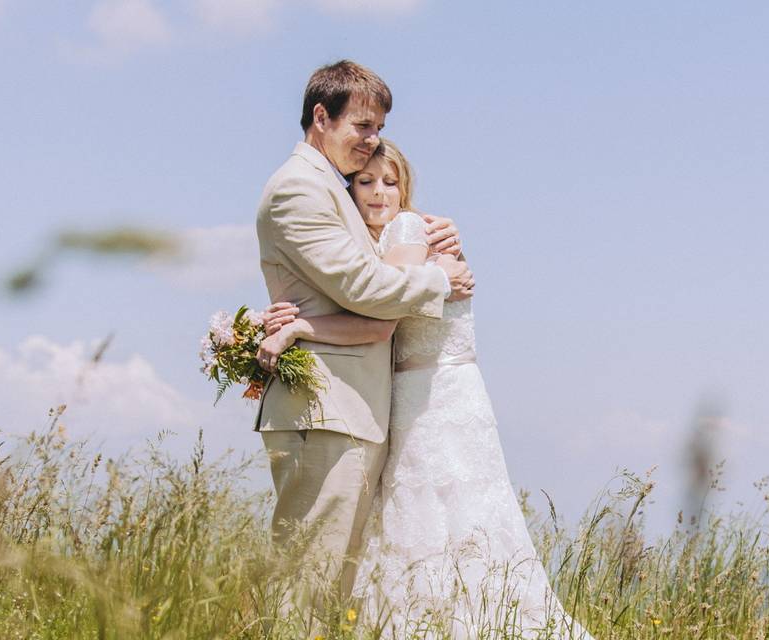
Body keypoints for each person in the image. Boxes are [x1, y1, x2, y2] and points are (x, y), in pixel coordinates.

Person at [260, 141, 592, 638]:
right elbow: (361, 295)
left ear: (405, 187)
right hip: (415, 397)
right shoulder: (381, 244)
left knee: (440, 521)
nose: (377, 193)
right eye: (365, 182)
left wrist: (300, 326)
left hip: (431, 398)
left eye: (389, 182)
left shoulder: (408, 231)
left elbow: (376, 326)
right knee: (428, 527)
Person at [253, 60, 474, 607]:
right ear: (321, 117)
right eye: (363, 126)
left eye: (379, 128)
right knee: (305, 584)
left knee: (332, 585)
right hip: (324, 409)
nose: (373, 139)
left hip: (348, 409)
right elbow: (359, 283)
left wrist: (424, 231)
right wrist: (438, 278)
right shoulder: (297, 189)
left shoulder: (332, 188)